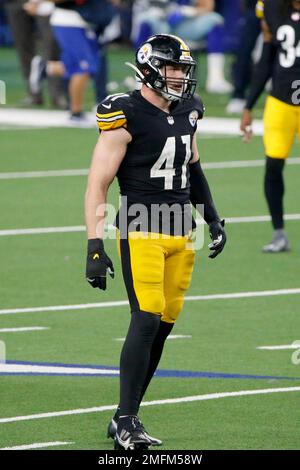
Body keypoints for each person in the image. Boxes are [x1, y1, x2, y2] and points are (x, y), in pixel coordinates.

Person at [85, 34, 226, 450]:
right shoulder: (124, 112)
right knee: (145, 318)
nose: (181, 77)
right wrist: (95, 244)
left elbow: (193, 168)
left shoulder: (190, 110)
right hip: (140, 226)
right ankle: (127, 421)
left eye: (184, 69)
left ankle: (125, 417)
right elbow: (98, 183)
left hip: (182, 231)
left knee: (162, 328)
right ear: (149, 68)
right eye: (173, 68)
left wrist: (212, 218)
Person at [240, 0, 300, 252]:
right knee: (273, 166)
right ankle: (279, 234)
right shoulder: (272, 7)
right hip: (281, 100)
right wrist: (248, 105)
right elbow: (266, 57)